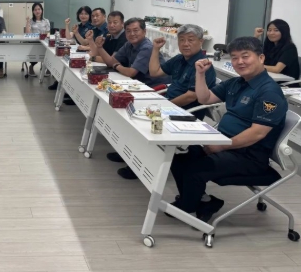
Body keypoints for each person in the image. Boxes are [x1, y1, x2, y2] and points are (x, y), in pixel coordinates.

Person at [170, 36, 287, 223]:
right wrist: (200, 74)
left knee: (195, 169)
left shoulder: (269, 92)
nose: (239, 62)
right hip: (225, 143)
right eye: (234, 57)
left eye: (245, 56)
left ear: (261, 58)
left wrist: (222, 146)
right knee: (179, 156)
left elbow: (258, 133)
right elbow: (205, 98)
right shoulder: (236, 83)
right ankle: (203, 202)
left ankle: (188, 206)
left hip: (249, 155)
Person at [107, 24, 218, 180]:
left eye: (190, 40)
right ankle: (127, 153)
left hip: (186, 112)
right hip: (170, 105)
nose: (185, 44)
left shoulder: (203, 65)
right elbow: (155, 72)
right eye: (182, 40)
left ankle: (139, 165)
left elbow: (190, 96)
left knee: (143, 123)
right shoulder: (179, 59)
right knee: (131, 113)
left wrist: (165, 106)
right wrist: (155, 49)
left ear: (201, 42)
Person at [89, 17, 172, 87]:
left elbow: (131, 73)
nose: (132, 34)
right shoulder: (128, 44)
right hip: (137, 83)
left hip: (154, 87)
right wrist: (100, 47)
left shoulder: (147, 48)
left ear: (144, 31)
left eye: (135, 30)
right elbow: (111, 61)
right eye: (128, 31)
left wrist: (116, 66)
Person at [49, 6, 93, 91]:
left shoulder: (91, 27)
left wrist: (76, 33)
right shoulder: (79, 26)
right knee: (61, 60)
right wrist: (67, 25)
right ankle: (59, 82)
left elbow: (85, 42)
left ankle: (69, 89)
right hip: (78, 51)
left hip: (85, 54)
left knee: (69, 67)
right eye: (81, 14)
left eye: (86, 14)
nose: (83, 16)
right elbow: (68, 37)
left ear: (90, 15)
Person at [25, 2, 51, 77]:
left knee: (50, 51)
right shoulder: (31, 21)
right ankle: (31, 66)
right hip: (34, 43)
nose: (37, 11)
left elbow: (48, 33)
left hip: (44, 42)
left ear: (41, 10)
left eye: (39, 9)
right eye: (35, 10)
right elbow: (27, 33)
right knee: (35, 53)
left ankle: (48, 67)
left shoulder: (46, 21)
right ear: (33, 11)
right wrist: (27, 22)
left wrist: (45, 37)